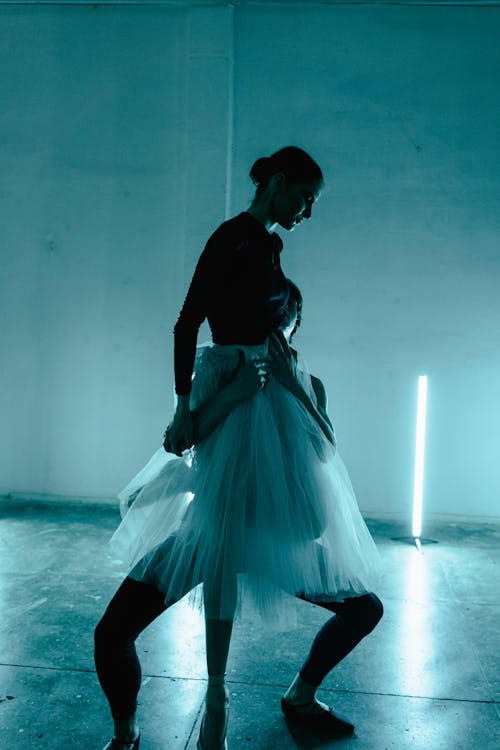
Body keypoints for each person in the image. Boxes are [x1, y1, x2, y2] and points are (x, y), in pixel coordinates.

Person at [94, 148, 383, 750]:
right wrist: (189, 405)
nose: (307, 213)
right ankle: (134, 730)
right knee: (112, 633)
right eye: (304, 199)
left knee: (365, 608)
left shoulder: (291, 370)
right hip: (220, 523)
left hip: (275, 531)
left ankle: (290, 693)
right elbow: (185, 332)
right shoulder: (235, 262)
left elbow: (325, 460)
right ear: (279, 184)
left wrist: (289, 384)